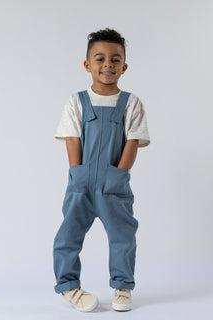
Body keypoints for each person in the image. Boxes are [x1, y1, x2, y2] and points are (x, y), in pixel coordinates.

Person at [53, 28, 151, 312]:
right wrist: (77, 172)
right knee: (68, 235)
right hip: (80, 183)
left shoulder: (131, 103)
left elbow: (133, 141)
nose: (108, 64)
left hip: (114, 183)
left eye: (115, 59)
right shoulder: (76, 101)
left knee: (123, 235)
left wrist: (119, 174)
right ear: (88, 65)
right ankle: (69, 287)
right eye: (100, 58)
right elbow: (72, 138)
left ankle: (122, 287)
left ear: (124, 66)